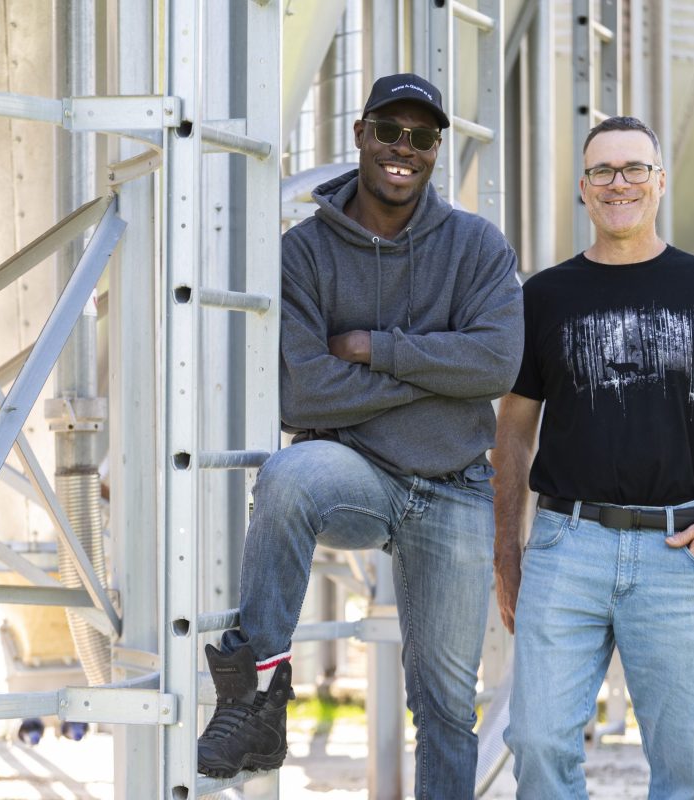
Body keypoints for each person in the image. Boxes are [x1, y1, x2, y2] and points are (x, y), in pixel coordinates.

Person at [196, 73, 524, 797]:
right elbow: (303, 390)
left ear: (436, 148)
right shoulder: (306, 253)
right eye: (390, 131)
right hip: (359, 478)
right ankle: (257, 698)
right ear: (361, 135)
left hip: (457, 488)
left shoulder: (475, 247)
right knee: (289, 478)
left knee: (444, 706)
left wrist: (380, 347)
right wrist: (441, 370)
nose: (404, 149)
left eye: (423, 136)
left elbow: (497, 363)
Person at [492, 115, 694, 799]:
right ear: (584, 190)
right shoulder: (544, 297)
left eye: (633, 169)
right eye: (602, 170)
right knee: (535, 740)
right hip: (567, 545)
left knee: (680, 762)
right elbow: (512, 430)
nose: (617, 183)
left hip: (679, 550)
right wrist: (507, 548)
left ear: (658, 183)